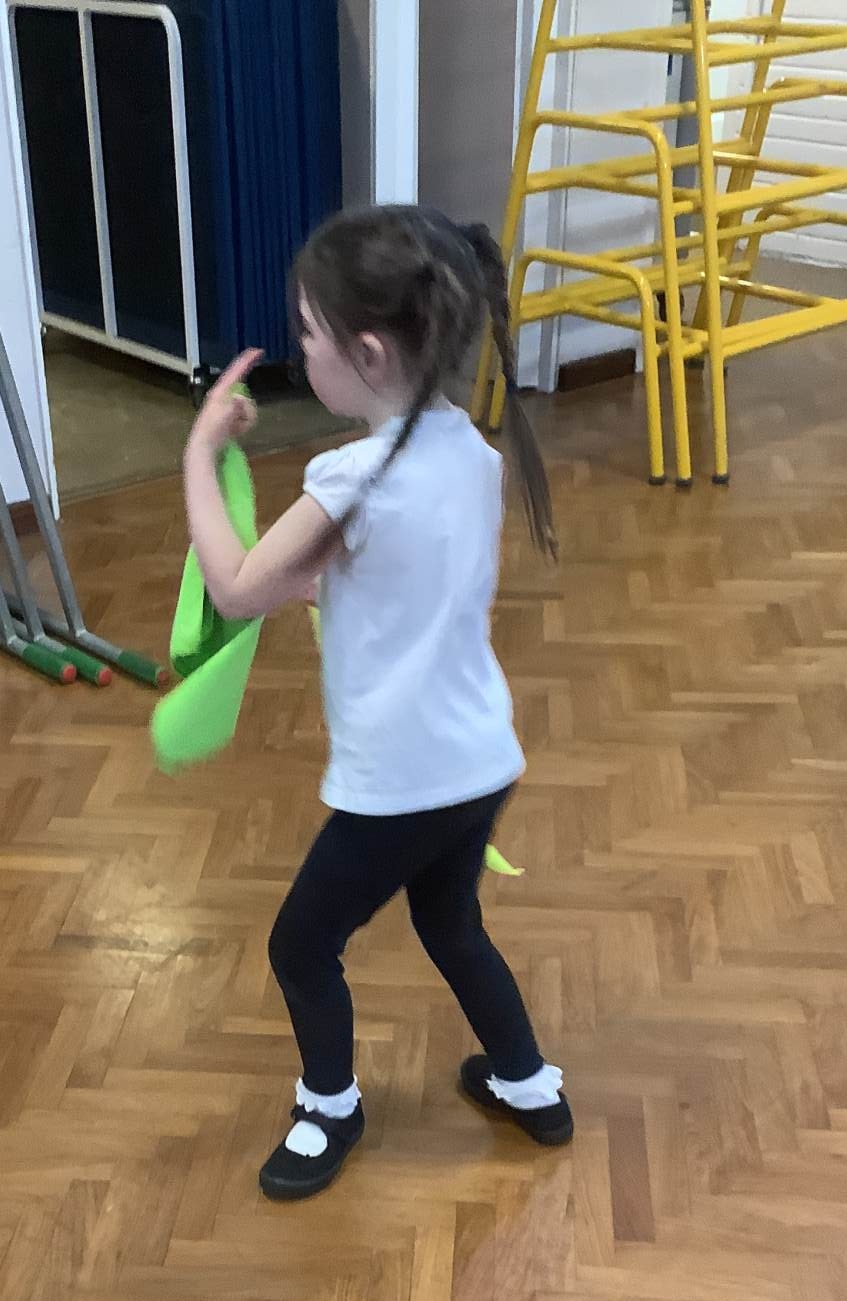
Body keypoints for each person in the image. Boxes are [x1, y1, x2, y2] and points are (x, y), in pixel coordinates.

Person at [182, 205, 571, 1201]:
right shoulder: (470, 451)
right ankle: (529, 1085)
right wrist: (331, 589)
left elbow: (236, 588)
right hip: (481, 762)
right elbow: (418, 577)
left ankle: (329, 1109)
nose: (300, 352)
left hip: (399, 785)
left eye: (309, 335)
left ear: (366, 352)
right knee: (451, 923)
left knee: (300, 946)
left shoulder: (350, 478)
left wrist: (199, 456)